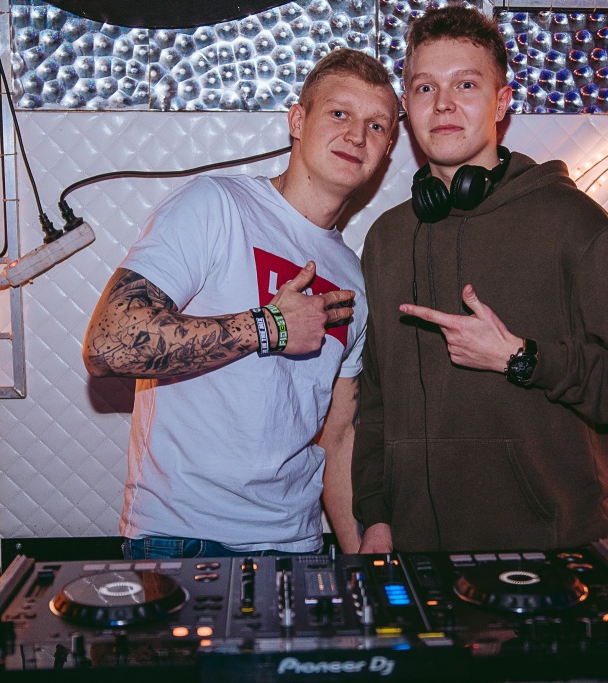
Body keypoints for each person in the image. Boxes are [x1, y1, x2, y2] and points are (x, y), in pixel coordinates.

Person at [352, 6, 608, 553]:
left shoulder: (569, 220)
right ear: (407, 106)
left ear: (502, 102)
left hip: (546, 550)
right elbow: (376, 403)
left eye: (466, 84)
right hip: (411, 549)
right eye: (425, 87)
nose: (443, 104)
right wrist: (377, 515)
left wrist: (522, 358)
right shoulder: (387, 238)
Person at [83, 49, 399, 558]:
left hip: (299, 545)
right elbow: (109, 343)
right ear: (297, 121)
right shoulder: (217, 205)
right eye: (339, 113)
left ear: (387, 150)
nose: (357, 136)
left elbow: (338, 437)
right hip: (183, 540)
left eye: (376, 125)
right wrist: (269, 326)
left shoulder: (352, 279)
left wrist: (357, 552)